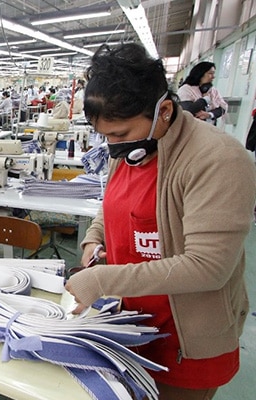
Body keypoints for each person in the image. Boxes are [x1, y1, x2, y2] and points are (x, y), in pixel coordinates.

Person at [64, 43, 256, 400]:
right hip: (129, 326)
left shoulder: (219, 161)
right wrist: (95, 237)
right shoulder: (133, 148)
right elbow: (111, 203)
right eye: (106, 136)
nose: (112, 146)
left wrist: (103, 279)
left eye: (119, 134)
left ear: (164, 111)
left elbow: (208, 267)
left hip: (183, 345)